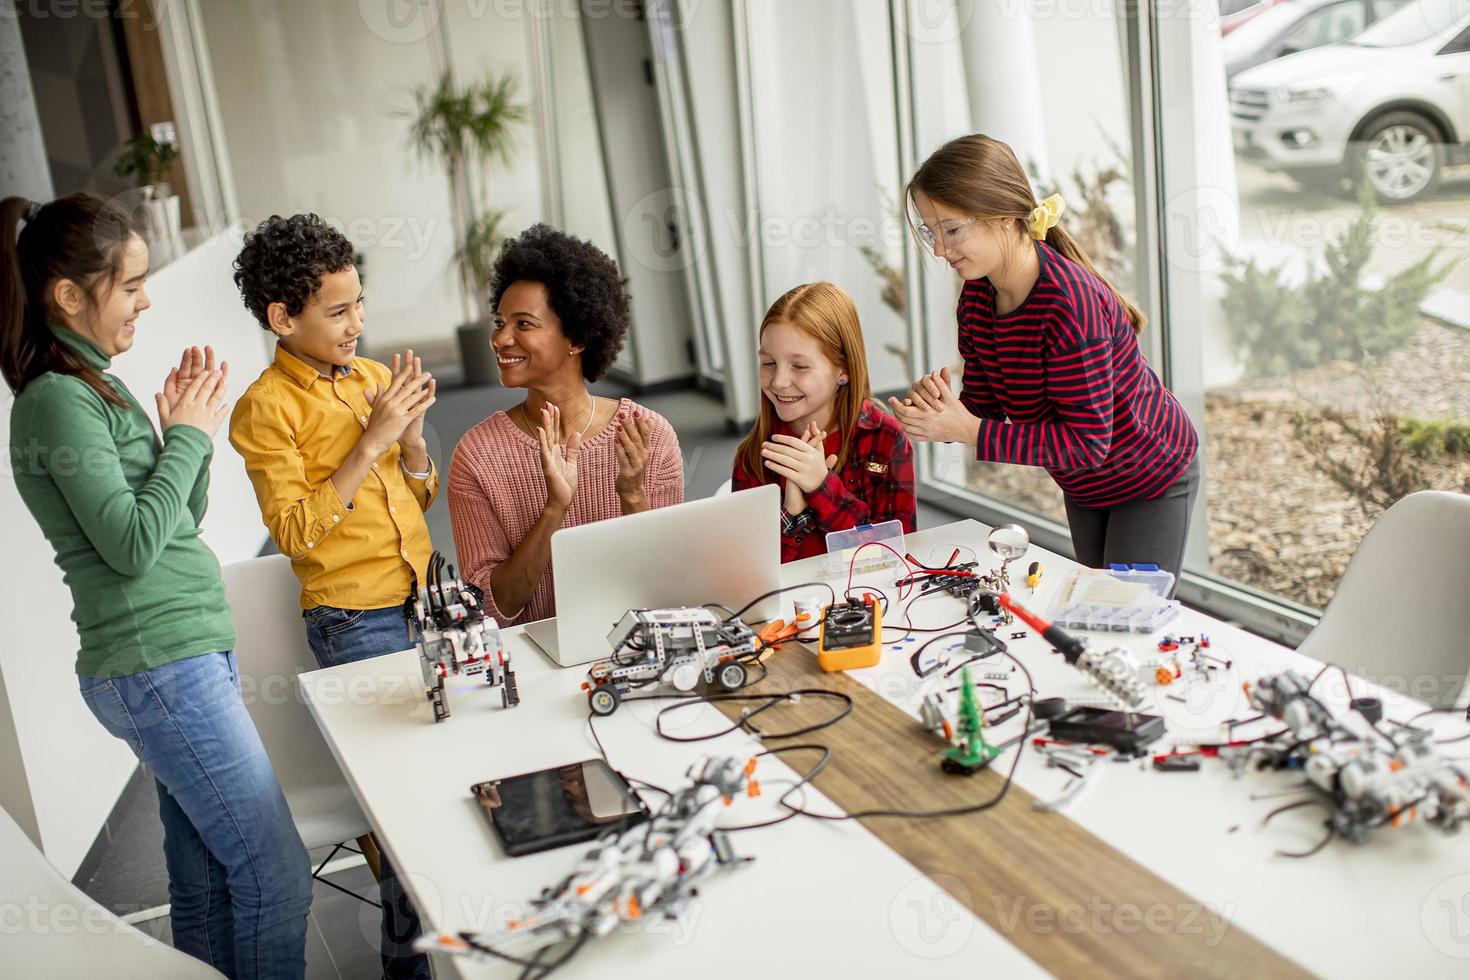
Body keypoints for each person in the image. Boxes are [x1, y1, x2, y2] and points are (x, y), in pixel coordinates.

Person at [3, 194, 311, 979]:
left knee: (207, 877)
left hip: (180, 657)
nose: (147, 299)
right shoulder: (57, 402)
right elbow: (135, 547)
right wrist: (184, 437)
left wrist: (190, 446)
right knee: (275, 874)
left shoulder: (94, 385)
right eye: (130, 284)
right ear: (69, 296)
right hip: (156, 664)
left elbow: (177, 520)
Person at [227, 212, 435, 979]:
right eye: (339, 310)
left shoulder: (375, 380)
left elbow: (422, 493)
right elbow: (296, 531)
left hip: (425, 603)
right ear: (283, 318)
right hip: (359, 625)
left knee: (447, 785)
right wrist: (374, 442)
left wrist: (411, 446)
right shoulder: (265, 410)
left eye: (359, 304)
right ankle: (408, 969)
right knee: (407, 808)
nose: (359, 323)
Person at [894, 134, 1199, 580]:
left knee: (1125, 619)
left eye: (952, 229)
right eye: (930, 231)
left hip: (1149, 475)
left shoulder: (1068, 305)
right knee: (1097, 612)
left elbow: (1088, 443)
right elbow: (985, 407)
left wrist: (970, 429)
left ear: (1003, 217)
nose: (939, 249)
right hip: (1085, 483)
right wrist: (943, 413)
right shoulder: (978, 297)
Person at [449, 224, 684, 623]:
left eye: (523, 324)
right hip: (535, 662)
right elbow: (493, 606)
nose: (501, 338)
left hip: (637, 644)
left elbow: (670, 582)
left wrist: (631, 494)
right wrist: (555, 509)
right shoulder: (477, 456)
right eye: (499, 322)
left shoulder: (647, 434)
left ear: (576, 337)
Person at [732, 282, 915, 562]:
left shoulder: (886, 439)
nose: (779, 381)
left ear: (843, 372)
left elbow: (892, 555)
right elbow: (748, 570)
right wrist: (793, 512)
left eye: (800, 366)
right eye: (768, 363)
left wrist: (821, 486)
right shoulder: (753, 455)